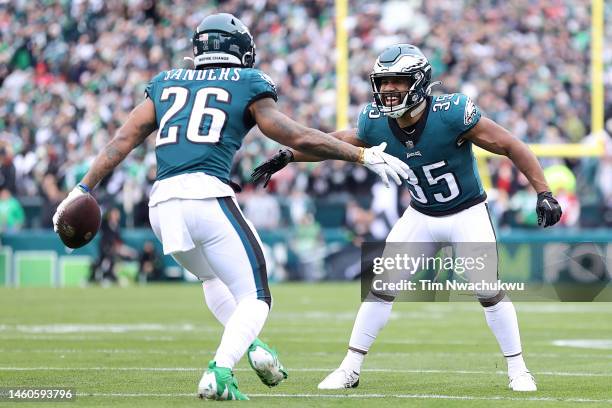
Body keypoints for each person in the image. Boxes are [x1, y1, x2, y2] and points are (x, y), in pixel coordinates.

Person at [52, 14, 410, 401]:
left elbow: (120, 142)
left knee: (213, 280)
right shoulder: (247, 82)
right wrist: (362, 155)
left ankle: (253, 348)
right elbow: (295, 135)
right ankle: (220, 371)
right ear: (238, 50)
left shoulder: (166, 82)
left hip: (162, 205)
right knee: (257, 296)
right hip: (206, 197)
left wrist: (80, 189)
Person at [251, 44, 563, 392]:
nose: (387, 90)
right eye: (383, 82)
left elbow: (510, 144)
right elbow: (333, 143)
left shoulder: (451, 113)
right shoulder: (374, 121)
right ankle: (350, 368)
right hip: (421, 214)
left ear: (418, 82)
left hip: (467, 212)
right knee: (380, 289)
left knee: (488, 291)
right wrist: (288, 156)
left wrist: (544, 191)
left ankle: (518, 370)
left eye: (397, 81)